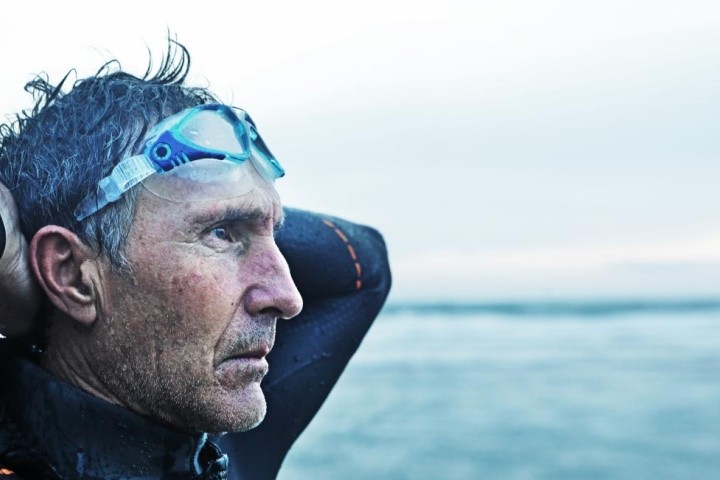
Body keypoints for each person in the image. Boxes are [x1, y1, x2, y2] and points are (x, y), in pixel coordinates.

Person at [0, 42, 391, 479]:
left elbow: (362, 266)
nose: (287, 296)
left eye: (273, 233)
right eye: (221, 233)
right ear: (70, 273)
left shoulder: (216, 448)